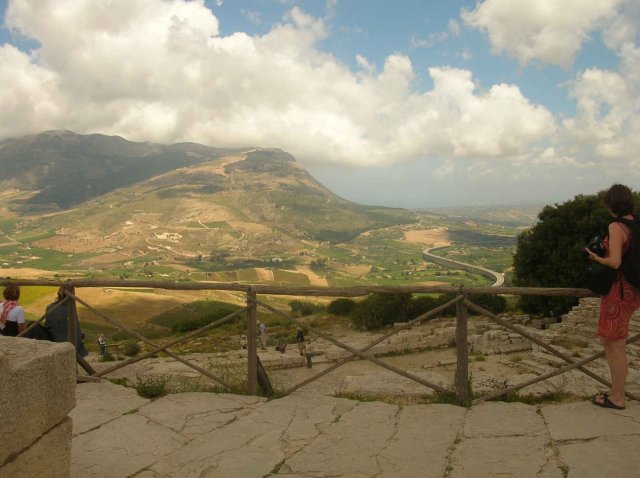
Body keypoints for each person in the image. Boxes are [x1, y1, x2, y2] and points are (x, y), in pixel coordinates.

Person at [585, 184, 640, 410]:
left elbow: (615, 262)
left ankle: (617, 397)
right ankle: (616, 392)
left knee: (614, 344)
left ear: (611, 204)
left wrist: (595, 258)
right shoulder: (635, 222)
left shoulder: (616, 226)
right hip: (633, 289)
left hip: (619, 292)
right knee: (613, 342)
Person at [44, 286, 89, 357]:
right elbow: (76, 330)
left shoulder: (49, 307)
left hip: (52, 342)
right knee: (81, 350)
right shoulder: (70, 309)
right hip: (68, 345)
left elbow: (48, 326)